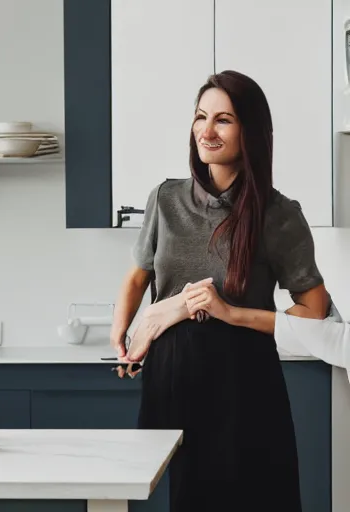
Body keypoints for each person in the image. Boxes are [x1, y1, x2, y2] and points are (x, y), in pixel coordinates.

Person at [108, 70, 330, 512]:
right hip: (170, 376)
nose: (206, 132)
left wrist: (230, 313)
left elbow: (315, 310)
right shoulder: (165, 200)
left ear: (250, 131)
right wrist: (120, 335)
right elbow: (138, 277)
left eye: (223, 120)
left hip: (243, 380)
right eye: (200, 117)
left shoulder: (278, 213)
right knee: (177, 498)